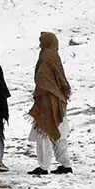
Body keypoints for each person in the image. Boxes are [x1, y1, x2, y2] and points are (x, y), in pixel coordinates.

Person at [29, 31, 73, 175]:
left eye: (41, 40)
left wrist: (41, 94)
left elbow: (43, 79)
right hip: (58, 99)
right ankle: (65, 165)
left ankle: (43, 166)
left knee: (45, 132)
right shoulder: (54, 55)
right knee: (59, 133)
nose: (40, 43)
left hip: (48, 99)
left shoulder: (46, 56)